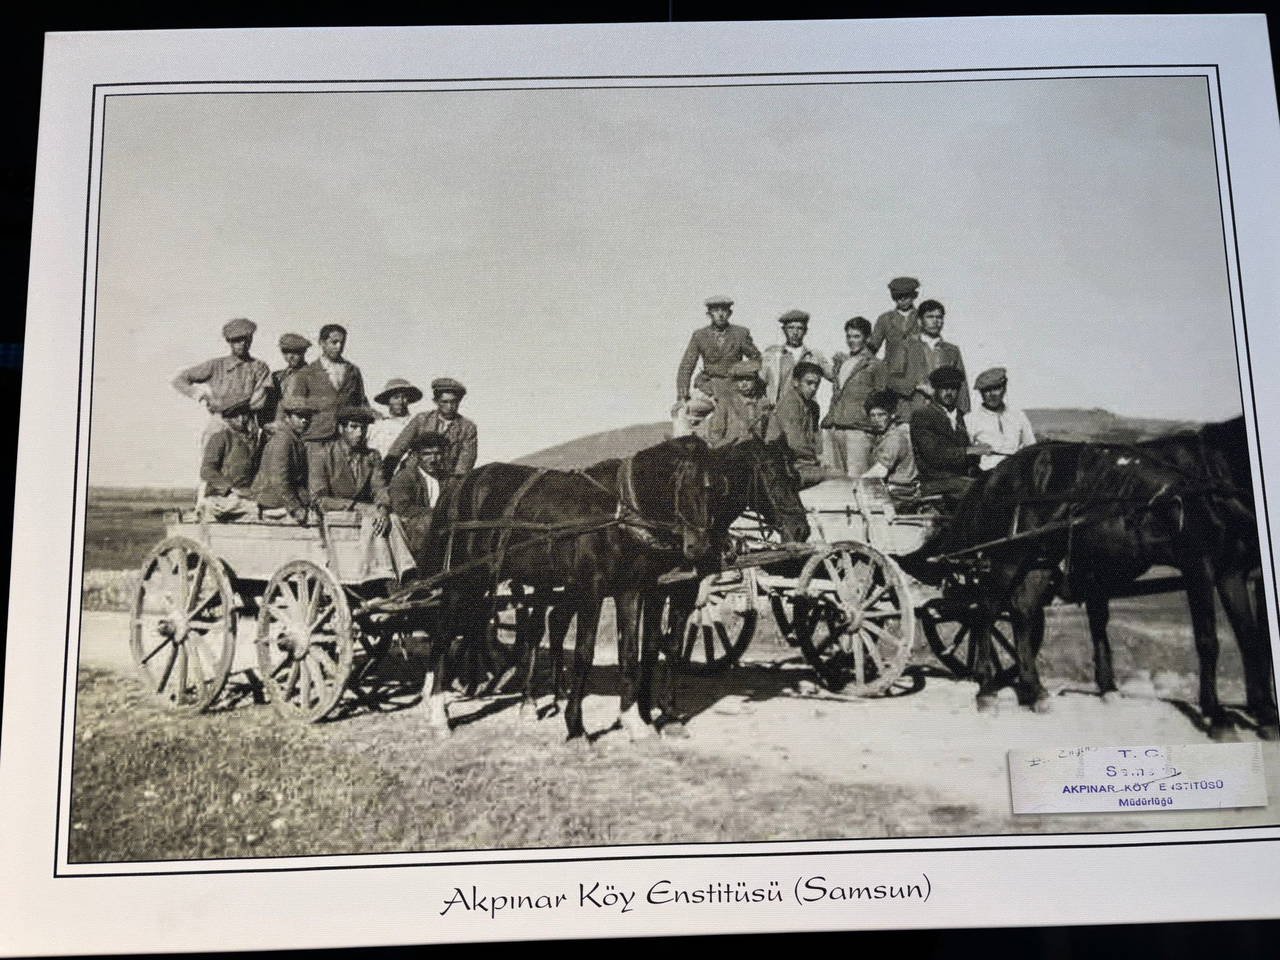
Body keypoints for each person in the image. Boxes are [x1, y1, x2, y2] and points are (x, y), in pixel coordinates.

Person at [311, 405, 415, 580]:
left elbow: (379, 488)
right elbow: (318, 499)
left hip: (363, 516)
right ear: (341, 428)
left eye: (363, 428)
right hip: (334, 516)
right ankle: (378, 577)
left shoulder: (371, 456)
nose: (360, 433)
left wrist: (382, 507)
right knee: (371, 520)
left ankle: (407, 571)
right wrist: (358, 506)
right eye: (354, 427)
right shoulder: (322, 455)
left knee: (393, 519)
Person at [172, 317, 271, 444]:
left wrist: (223, 404)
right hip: (219, 424)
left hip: (245, 428)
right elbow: (179, 380)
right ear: (229, 342)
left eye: (245, 339)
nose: (242, 344)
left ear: (251, 339)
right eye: (236, 341)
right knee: (211, 462)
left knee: (243, 463)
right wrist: (202, 396)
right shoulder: (217, 365)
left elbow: (258, 402)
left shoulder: (259, 367)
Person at [910, 366, 990, 500]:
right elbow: (933, 455)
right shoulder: (922, 416)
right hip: (934, 482)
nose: (949, 392)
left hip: (963, 480)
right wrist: (968, 451)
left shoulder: (964, 417)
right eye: (943, 388)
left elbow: (973, 459)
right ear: (935, 389)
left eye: (953, 388)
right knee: (978, 490)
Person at [823, 316, 887, 476]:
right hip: (835, 429)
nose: (852, 340)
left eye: (857, 336)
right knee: (835, 482)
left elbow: (882, 399)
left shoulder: (875, 365)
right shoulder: (843, 363)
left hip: (859, 432)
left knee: (858, 482)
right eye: (849, 336)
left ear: (867, 338)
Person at [285, 324, 369, 444]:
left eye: (342, 342)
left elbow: (360, 402)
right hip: (315, 438)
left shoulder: (353, 371)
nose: (339, 347)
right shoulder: (306, 372)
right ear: (322, 343)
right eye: (334, 342)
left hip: (345, 439)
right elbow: (295, 407)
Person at [675, 295, 762, 410]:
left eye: (724, 310)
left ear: (730, 313)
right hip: (708, 388)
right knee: (683, 411)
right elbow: (686, 365)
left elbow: (757, 360)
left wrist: (744, 374)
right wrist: (682, 395)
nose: (720, 314)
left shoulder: (740, 334)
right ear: (709, 314)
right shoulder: (700, 336)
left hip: (735, 388)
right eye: (716, 311)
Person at [383, 377, 478, 480]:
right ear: (436, 401)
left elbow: (465, 461)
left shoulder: (468, 427)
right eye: (445, 402)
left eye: (453, 402)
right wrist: (385, 475)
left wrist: (453, 484)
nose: (450, 406)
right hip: (414, 475)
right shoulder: (422, 419)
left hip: (445, 479)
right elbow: (398, 448)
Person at [765, 361, 837, 489]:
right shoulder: (790, 403)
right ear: (795, 382)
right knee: (836, 476)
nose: (813, 388)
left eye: (817, 384)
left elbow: (815, 437)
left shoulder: (813, 407)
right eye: (809, 383)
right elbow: (794, 443)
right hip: (784, 464)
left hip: (802, 462)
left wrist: (820, 457)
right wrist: (816, 459)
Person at [895, 299, 969, 414]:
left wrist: (964, 415)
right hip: (911, 413)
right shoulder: (906, 346)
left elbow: (962, 386)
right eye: (930, 317)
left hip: (943, 415)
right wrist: (918, 385)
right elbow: (891, 379)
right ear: (920, 321)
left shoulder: (952, 351)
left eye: (939, 317)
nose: (935, 321)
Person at [198, 395, 262, 520]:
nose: (241, 419)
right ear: (228, 419)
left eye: (244, 414)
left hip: (243, 496)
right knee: (254, 510)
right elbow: (206, 470)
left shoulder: (251, 441)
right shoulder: (220, 438)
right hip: (220, 497)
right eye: (236, 416)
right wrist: (231, 489)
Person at [253, 396, 315, 524]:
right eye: (299, 416)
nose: (305, 420)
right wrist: (295, 508)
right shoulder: (283, 440)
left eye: (308, 417)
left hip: (281, 501)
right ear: (287, 417)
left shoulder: (293, 439)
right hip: (272, 503)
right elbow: (279, 480)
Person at [387, 431, 450, 555]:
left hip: (442, 529)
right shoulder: (405, 477)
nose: (433, 459)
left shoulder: (447, 479)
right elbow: (401, 508)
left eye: (437, 454)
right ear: (417, 455)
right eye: (427, 454)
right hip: (410, 531)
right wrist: (436, 513)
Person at [966, 367, 1037, 471]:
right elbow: (965, 453)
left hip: (1016, 474)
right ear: (981, 393)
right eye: (986, 390)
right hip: (986, 478)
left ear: (1004, 388)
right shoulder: (970, 420)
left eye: (996, 388)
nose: (991, 394)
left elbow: (1031, 447)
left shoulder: (1018, 416)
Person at [761, 309, 831, 405]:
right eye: (791, 328)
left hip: (806, 411)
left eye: (799, 328)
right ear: (784, 330)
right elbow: (759, 381)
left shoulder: (814, 356)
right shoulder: (772, 355)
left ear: (805, 331)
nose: (795, 332)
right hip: (777, 411)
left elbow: (835, 377)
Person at [860, 390, 918, 500]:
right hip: (901, 489)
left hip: (899, 492)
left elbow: (881, 471)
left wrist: (857, 482)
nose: (876, 420)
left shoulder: (895, 437)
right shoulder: (894, 433)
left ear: (891, 415)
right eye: (873, 415)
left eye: (881, 415)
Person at [868, 276, 921, 391]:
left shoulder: (923, 317)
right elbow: (872, 348)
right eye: (897, 296)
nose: (902, 299)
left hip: (918, 377)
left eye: (906, 295)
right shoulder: (885, 319)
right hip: (891, 379)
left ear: (914, 296)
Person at [705, 359, 772, 447]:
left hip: (757, 453)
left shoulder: (764, 403)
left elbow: (770, 434)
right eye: (740, 380)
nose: (744, 384)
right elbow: (716, 434)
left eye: (748, 379)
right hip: (732, 452)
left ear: (755, 380)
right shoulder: (726, 402)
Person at [261, 332, 311, 426]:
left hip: (299, 427)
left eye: (295, 352)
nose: (290, 356)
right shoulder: (277, 376)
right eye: (286, 352)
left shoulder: (312, 375)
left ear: (303, 352)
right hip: (276, 427)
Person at [368, 378, 423, 461]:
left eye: (404, 397)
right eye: (396, 397)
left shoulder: (417, 423)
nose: (400, 401)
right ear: (388, 400)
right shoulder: (378, 426)